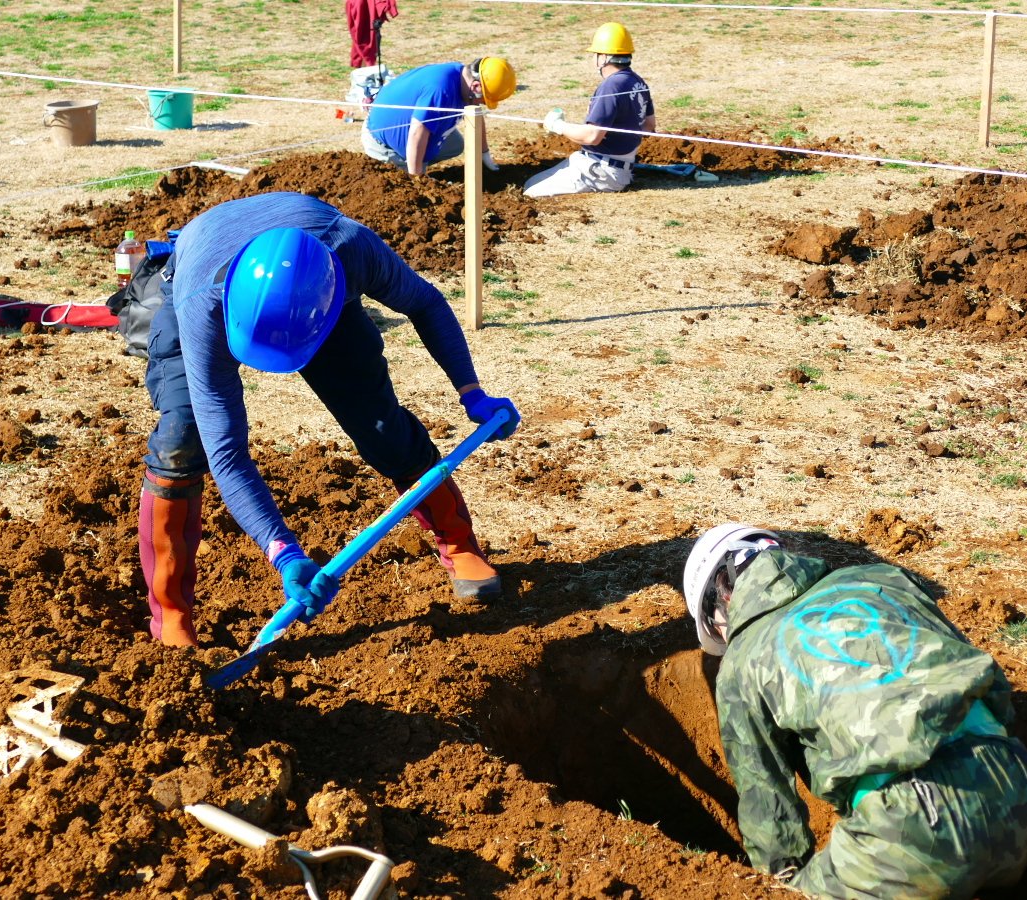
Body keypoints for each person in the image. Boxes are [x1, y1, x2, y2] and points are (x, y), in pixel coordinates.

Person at [140, 192, 520, 647]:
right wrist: (284, 552)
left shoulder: (351, 249)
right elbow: (227, 454)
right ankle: (173, 616)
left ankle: (459, 544)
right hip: (207, 277)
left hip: (311, 285)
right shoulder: (203, 307)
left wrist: (471, 392)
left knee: (379, 423)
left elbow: (425, 304)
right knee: (183, 439)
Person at [684, 524, 1027, 899]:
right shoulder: (884, 578)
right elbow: (987, 682)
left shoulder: (743, 660)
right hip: (1021, 792)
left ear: (722, 599)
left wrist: (779, 885)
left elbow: (769, 807)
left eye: (716, 629)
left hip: (912, 827)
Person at [524, 22, 656, 198]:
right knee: (531, 183)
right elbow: (649, 126)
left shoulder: (611, 86)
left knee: (530, 192)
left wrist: (558, 125)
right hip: (612, 166)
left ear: (604, 57)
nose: (594, 59)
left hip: (602, 172)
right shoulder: (638, 82)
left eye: (596, 54)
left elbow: (592, 136)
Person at [362, 58, 516, 175]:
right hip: (383, 144)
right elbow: (417, 133)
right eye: (483, 99)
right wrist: (417, 181)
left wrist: (484, 153)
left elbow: (475, 112)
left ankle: (421, 161)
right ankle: (409, 166)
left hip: (413, 130)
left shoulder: (461, 77)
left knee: (455, 145)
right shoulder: (440, 90)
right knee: (407, 182)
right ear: (475, 86)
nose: (481, 103)